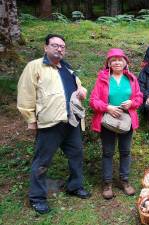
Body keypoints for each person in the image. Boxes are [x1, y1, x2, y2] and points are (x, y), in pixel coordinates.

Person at [17, 34, 91, 214]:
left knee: (76, 154)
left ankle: (74, 186)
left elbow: (79, 88)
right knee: (42, 161)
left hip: (71, 121)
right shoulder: (35, 67)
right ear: (45, 47)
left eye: (62, 46)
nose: (59, 49)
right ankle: (37, 197)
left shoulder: (67, 68)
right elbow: (26, 94)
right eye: (55, 45)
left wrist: (82, 91)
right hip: (50, 123)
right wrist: (31, 120)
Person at [90, 48, 143, 199]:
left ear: (125, 62)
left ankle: (124, 181)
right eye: (113, 60)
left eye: (120, 59)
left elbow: (139, 97)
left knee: (125, 151)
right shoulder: (102, 79)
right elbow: (93, 101)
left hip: (126, 121)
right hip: (108, 121)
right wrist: (107, 107)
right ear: (109, 63)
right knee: (108, 152)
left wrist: (132, 103)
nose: (117, 62)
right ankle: (107, 183)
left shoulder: (131, 79)